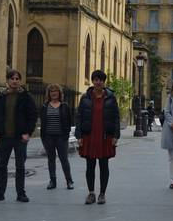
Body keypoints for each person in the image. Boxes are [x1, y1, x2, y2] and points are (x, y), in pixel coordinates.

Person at [0, 69, 37, 203]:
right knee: (2, 166)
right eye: (12, 78)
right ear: (7, 81)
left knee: (20, 166)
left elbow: (32, 116)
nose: (15, 81)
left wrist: (28, 133)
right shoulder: (0, 97)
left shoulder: (26, 97)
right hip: (3, 138)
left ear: (20, 81)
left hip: (20, 138)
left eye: (17, 79)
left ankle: (21, 193)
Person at [75, 70, 120, 205]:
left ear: (104, 82)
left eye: (100, 80)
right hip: (89, 135)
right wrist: (79, 135)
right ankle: (91, 193)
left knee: (104, 165)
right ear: (92, 81)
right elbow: (79, 117)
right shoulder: (85, 98)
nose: (98, 82)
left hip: (105, 136)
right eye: (95, 79)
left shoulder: (111, 98)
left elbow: (116, 117)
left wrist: (116, 135)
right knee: (90, 166)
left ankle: (102, 194)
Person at [39, 83, 74, 190]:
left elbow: (69, 121)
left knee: (64, 159)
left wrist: (66, 134)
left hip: (61, 138)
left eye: (56, 91)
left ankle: (69, 181)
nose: (54, 93)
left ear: (59, 93)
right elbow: (43, 121)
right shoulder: (45, 106)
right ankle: (52, 181)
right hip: (48, 137)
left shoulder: (65, 106)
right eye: (51, 91)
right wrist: (43, 137)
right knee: (51, 159)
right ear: (49, 94)